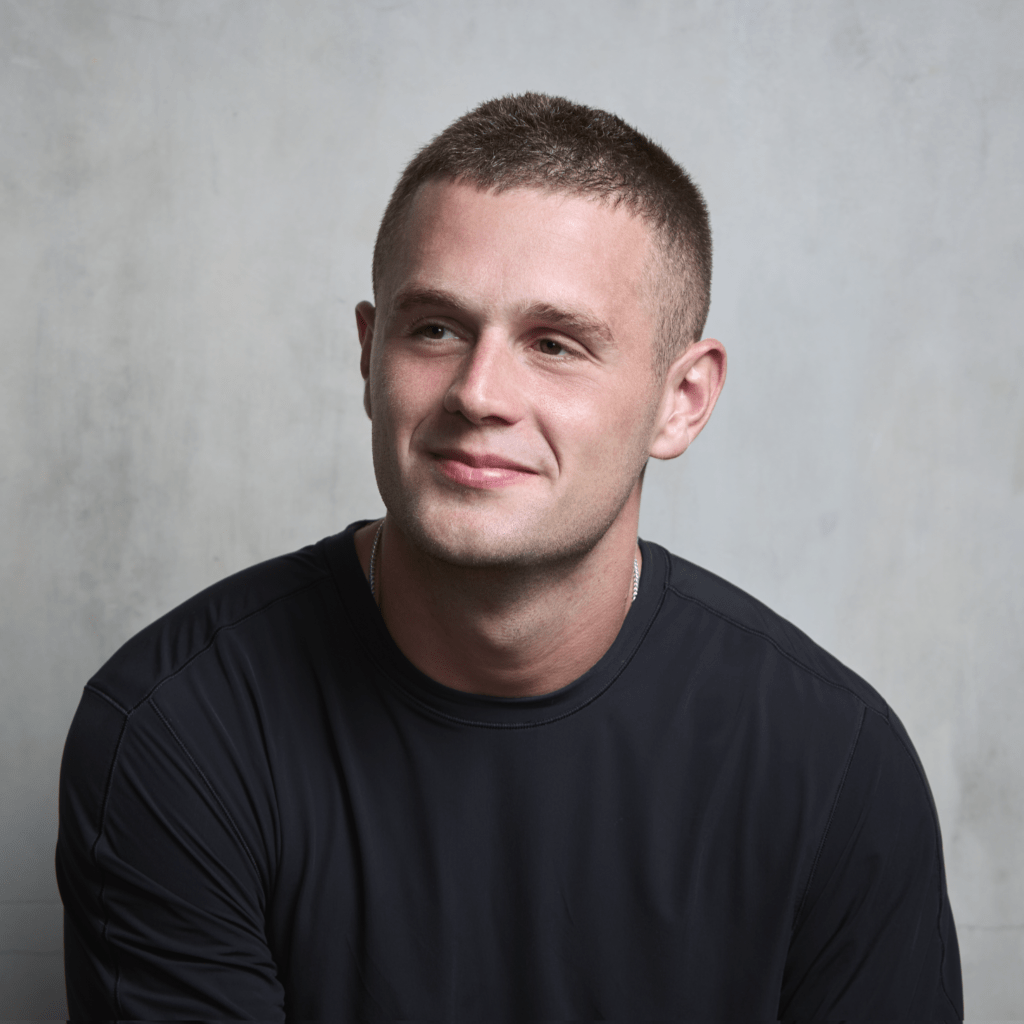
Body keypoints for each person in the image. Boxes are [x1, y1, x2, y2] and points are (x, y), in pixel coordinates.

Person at [56, 93, 963, 1020]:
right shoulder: (176, 731)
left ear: (681, 399)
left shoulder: (835, 766)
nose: (479, 393)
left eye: (555, 344)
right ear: (369, 358)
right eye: (436, 328)